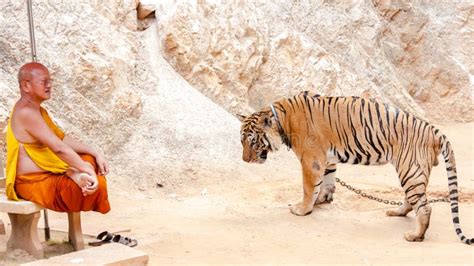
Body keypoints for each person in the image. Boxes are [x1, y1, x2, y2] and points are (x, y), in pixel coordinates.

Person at [4, 62, 110, 213]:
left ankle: (73, 173)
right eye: (43, 82)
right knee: (95, 181)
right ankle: (74, 174)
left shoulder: (37, 110)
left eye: (50, 81)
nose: (48, 85)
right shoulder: (25, 113)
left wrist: (95, 152)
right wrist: (85, 168)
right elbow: (59, 149)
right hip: (32, 182)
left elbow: (61, 139)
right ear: (26, 86)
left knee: (89, 159)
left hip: (49, 173)